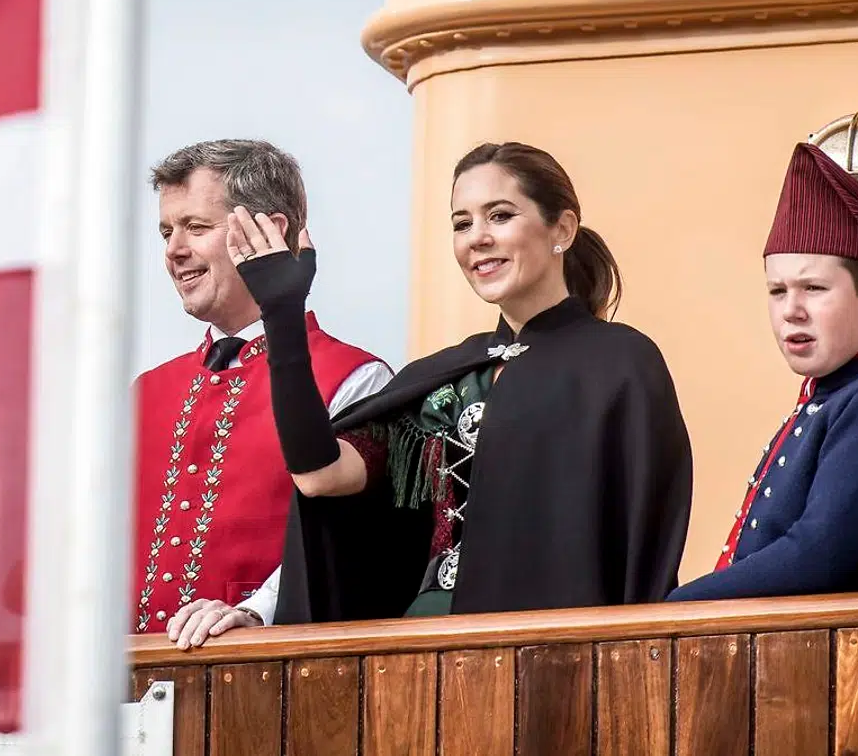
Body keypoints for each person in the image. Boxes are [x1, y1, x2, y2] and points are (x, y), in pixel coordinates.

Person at [228, 141, 694, 623]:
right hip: (422, 652)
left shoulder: (619, 362)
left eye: (500, 215)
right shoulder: (443, 376)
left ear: (562, 229)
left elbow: (644, 547)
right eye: (462, 223)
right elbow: (319, 475)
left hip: (555, 657)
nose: (477, 238)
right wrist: (281, 316)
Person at [132, 140, 390, 642]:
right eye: (166, 231)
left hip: (269, 676)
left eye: (197, 228)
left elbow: (348, 539)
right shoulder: (144, 391)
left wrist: (254, 612)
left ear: (270, 233)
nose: (173, 250)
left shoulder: (357, 377)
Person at [669, 142, 858, 601]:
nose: (791, 311)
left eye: (814, 288)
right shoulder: (832, 397)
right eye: (777, 291)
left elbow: (816, 557)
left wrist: (675, 609)